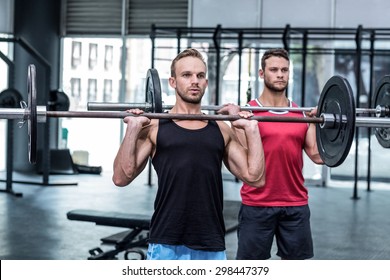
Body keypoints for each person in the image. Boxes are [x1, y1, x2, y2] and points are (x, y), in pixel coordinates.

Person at [112, 48, 266, 260]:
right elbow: (121, 177)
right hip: (166, 241)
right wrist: (133, 128)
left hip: (211, 242)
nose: (194, 81)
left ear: (206, 82)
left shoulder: (220, 128)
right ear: (172, 82)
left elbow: (255, 178)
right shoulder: (155, 126)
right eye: (186, 75)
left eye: (200, 76)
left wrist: (251, 130)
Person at [234, 48, 324, 260]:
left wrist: (323, 125)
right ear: (261, 73)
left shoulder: (300, 113)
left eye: (284, 70)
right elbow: (238, 159)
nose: (280, 74)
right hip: (256, 204)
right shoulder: (248, 113)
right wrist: (236, 123)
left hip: (295, 204)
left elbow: (318, 156)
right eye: (274, 69)